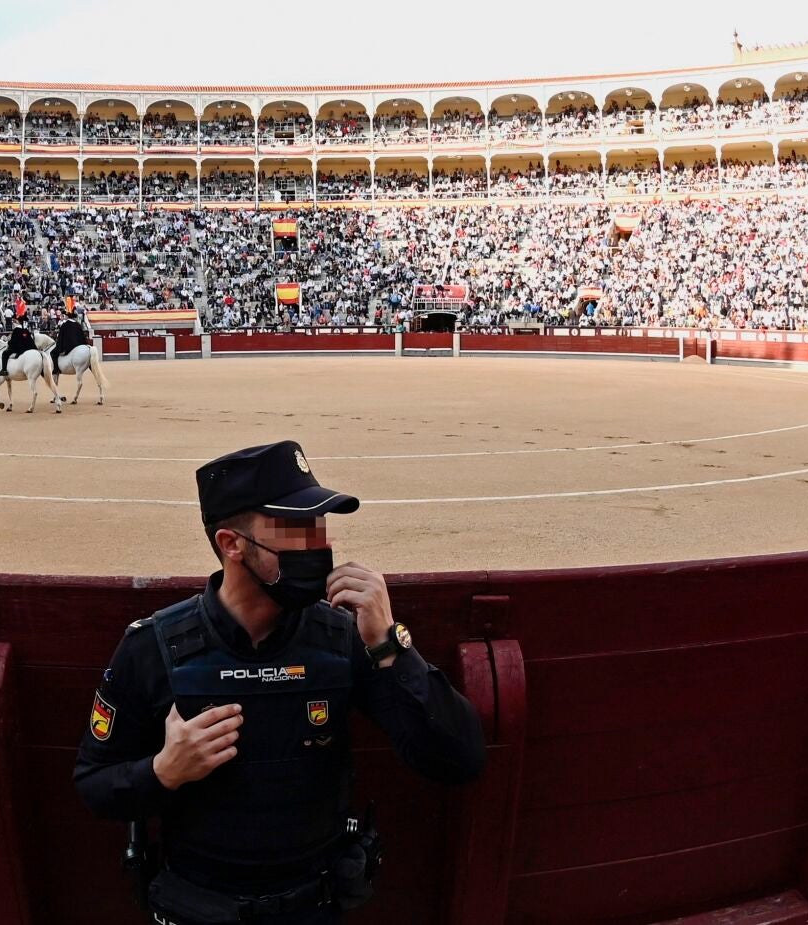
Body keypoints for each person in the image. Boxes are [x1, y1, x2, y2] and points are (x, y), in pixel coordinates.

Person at [73, 441, 485, 924]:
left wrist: (392, 647)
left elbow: (459, 759)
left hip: (313, 906)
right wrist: (163, 772)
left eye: (320, 524)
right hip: (198, 908)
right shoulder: (153, 647)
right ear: (232, 544)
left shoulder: (345, 637)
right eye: (297, 527)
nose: (320, 543)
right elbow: (94, 783)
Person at [49, 310, 89, 376]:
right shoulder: (77, 324)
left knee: (52, 353)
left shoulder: (64, 325)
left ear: (67, 316)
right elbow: (82, 336)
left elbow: (60, 337)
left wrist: (59, 346)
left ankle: (56, 369)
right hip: (78, 345)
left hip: (68, 347)